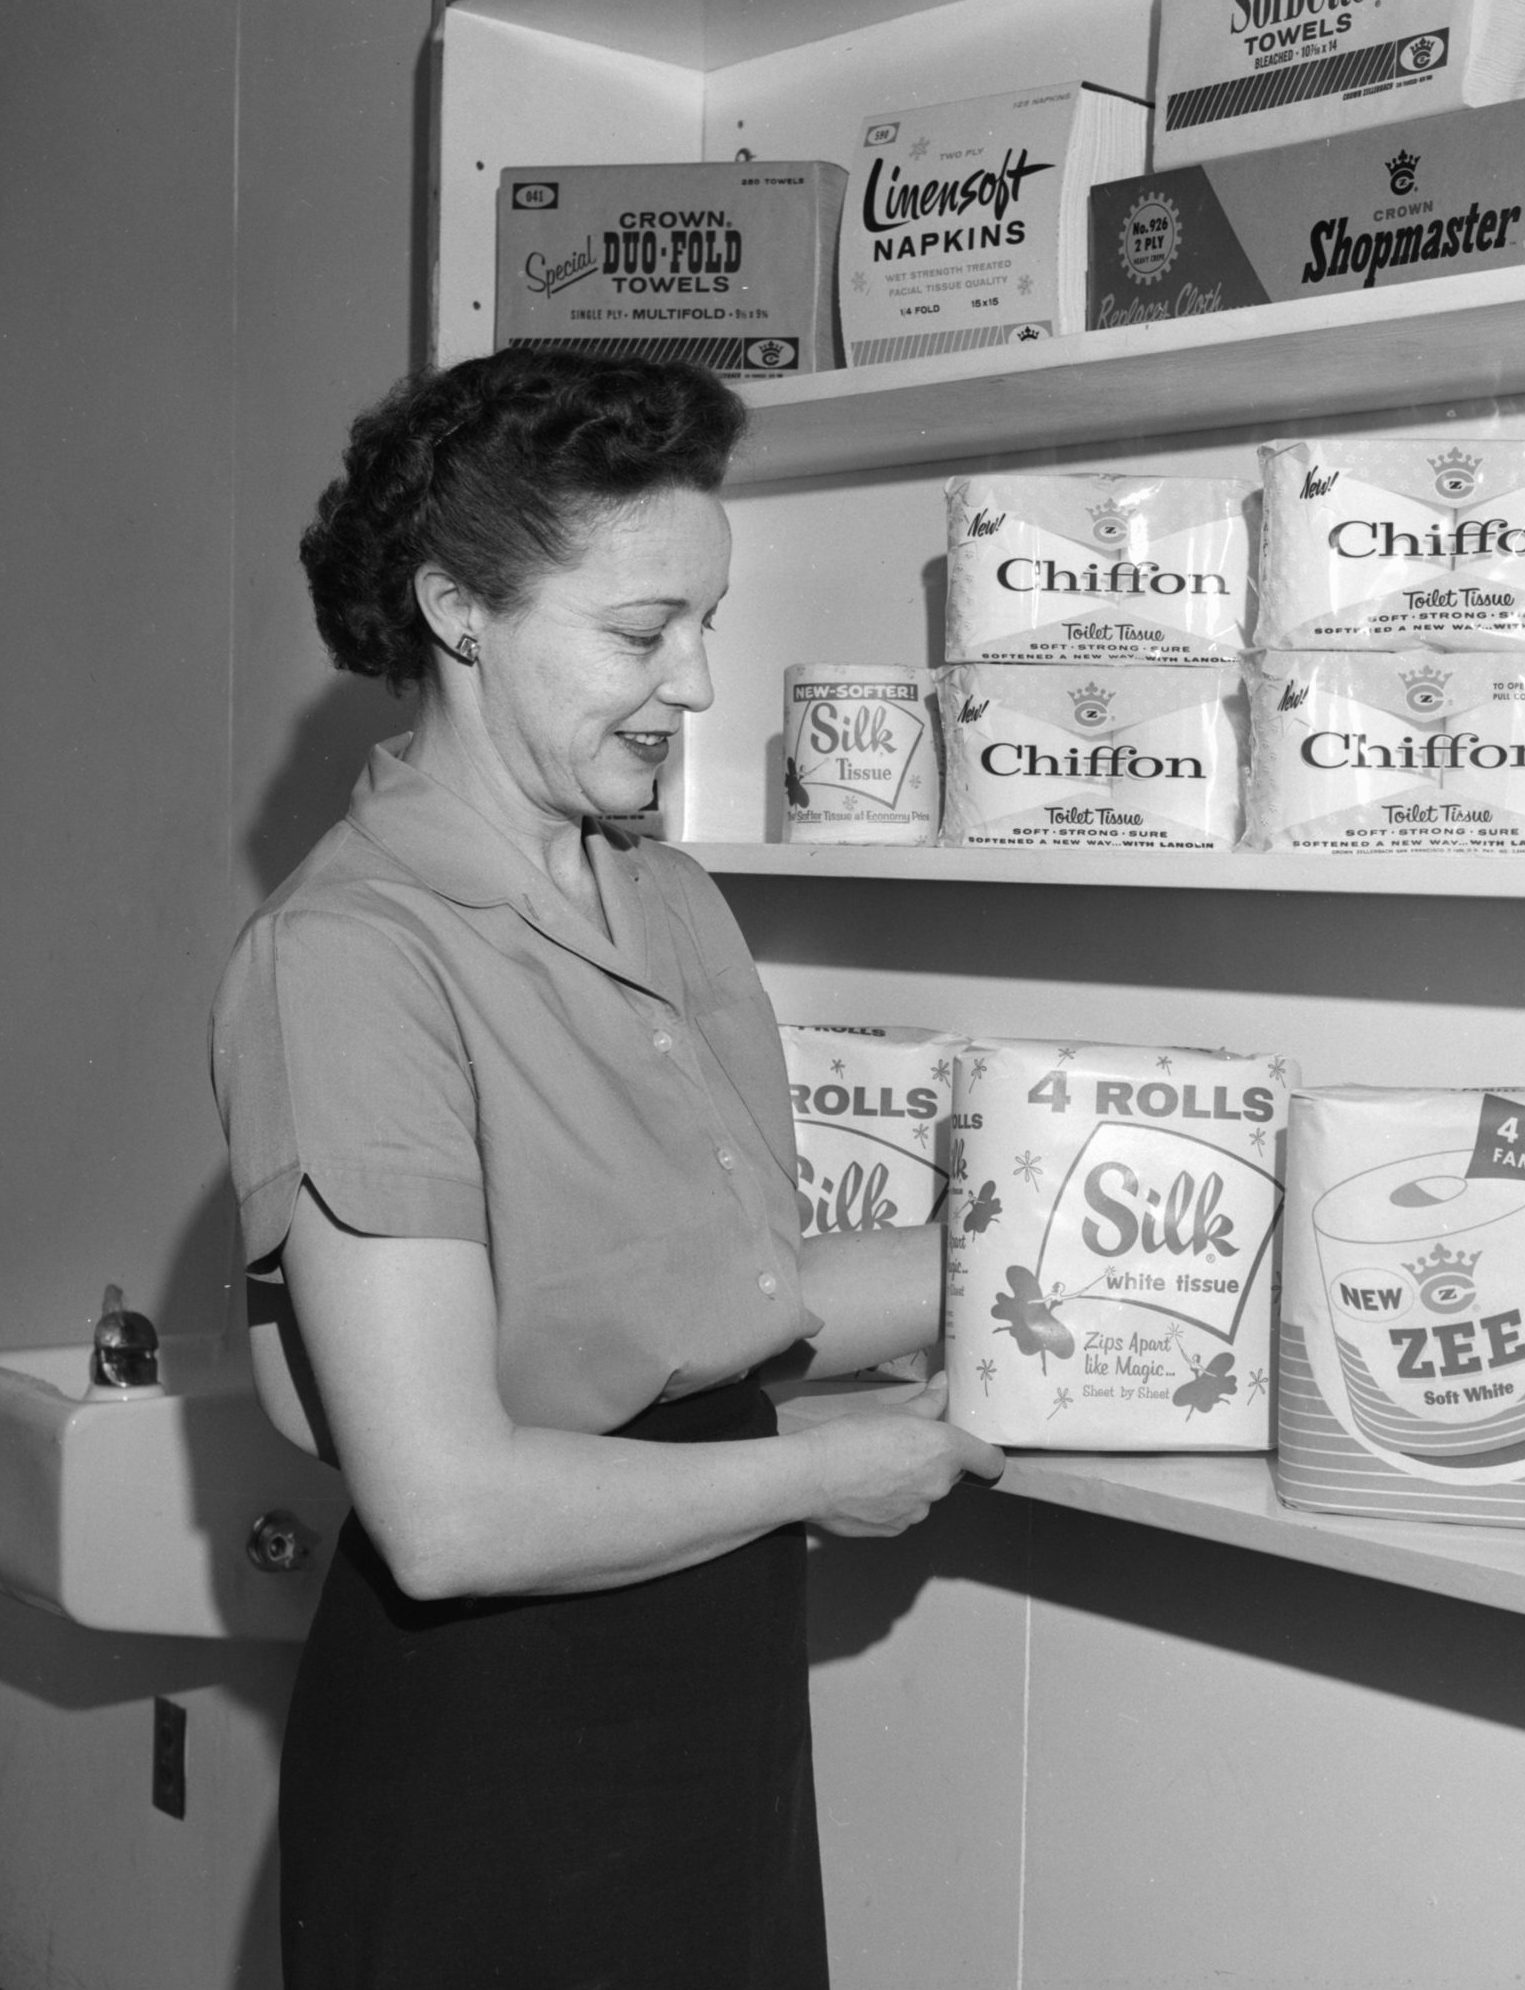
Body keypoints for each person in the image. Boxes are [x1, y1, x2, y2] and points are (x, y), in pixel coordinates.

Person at [210, 346, 1003, 1990]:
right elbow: (441, 1509)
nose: (698, 684)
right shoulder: (354, 956)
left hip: (706, 1683)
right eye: (644, 633)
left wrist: (1054, 1253)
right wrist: (817, 1473)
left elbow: (731, 1305)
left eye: (704, 622)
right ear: (457, 612)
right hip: (492, 1730)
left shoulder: (666, 899)